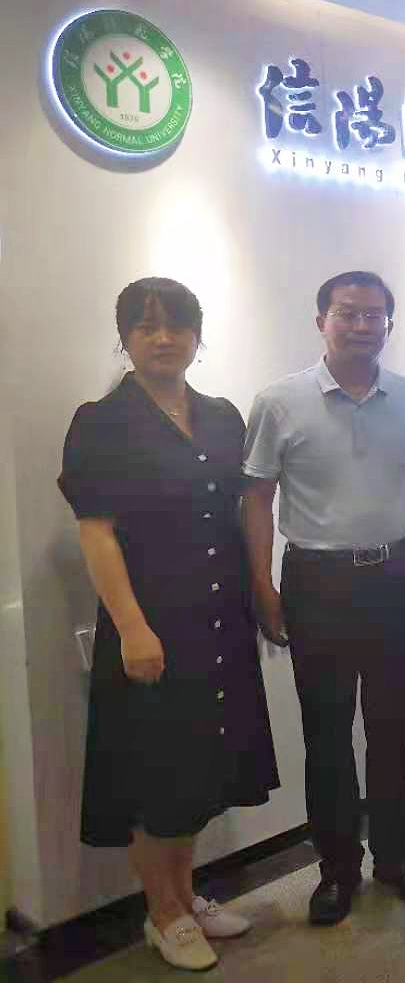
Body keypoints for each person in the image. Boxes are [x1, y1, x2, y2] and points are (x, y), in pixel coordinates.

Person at [58, 278, 278, 972]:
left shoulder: (220, 416)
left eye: (177, 325)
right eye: (146, 326)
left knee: (200, 768)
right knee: (157, 773)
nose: (163, 338)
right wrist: (131, 627)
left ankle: (186, 897)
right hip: (153, 619)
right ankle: (163, 913)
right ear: (124, 337)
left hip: (219, 618)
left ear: (196, 336)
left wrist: (260, 595)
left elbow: (244, 510)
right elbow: (96, 532)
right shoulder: (102, 421)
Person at [241, 271, 405, 925]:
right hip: (319, 582)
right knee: (326, 731)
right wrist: (263, 585)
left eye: (374, 315)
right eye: (347, 313)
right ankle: (336, 869)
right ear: (320, 320)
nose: (361, 325)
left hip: (396, 577)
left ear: (389, 324)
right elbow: (257, 497)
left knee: (395, 725)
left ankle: (396, 856)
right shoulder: (279, 402)